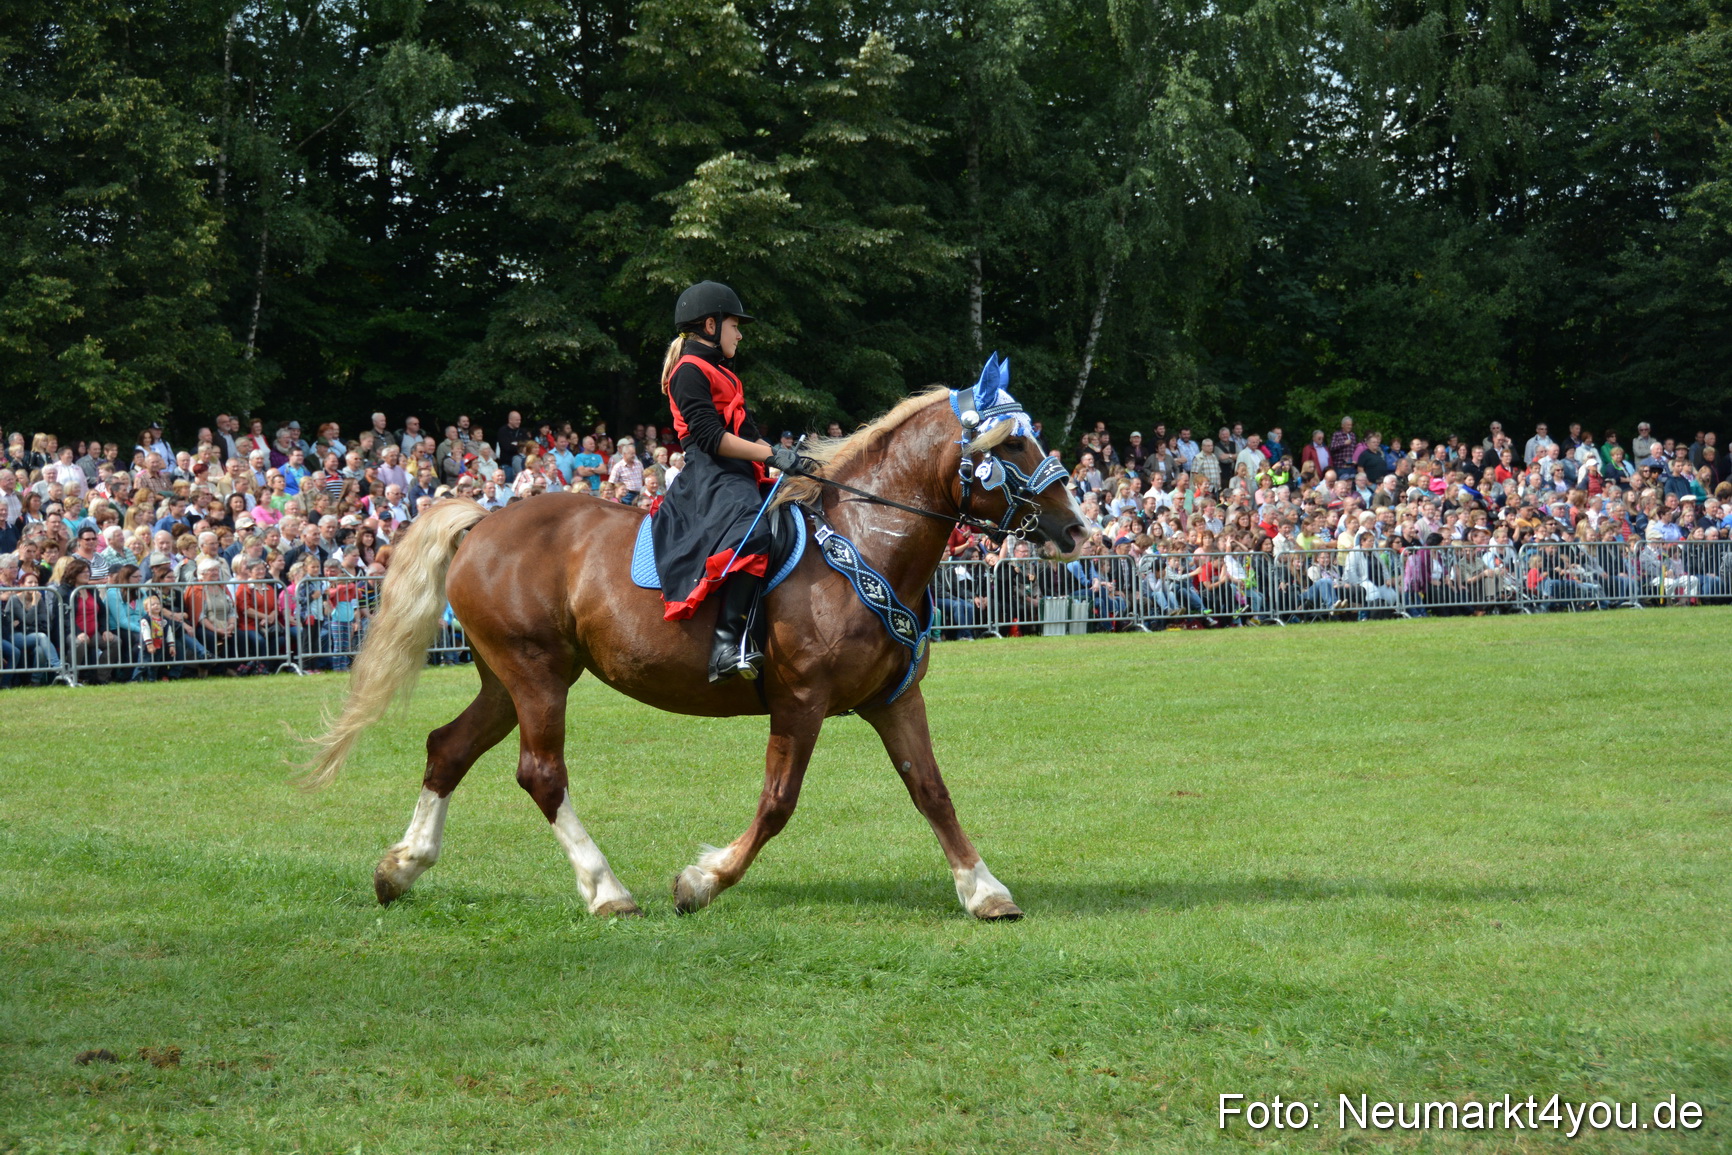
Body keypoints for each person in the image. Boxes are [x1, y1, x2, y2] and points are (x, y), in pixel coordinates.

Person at [650, 281, 810, 682]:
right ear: (710, 324)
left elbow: (750, 433)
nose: (739, 334)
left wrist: (790, 460)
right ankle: (726, 644)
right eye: (735, 326)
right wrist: (772, 455)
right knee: (750, 534)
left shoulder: (726, 375)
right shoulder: (688, 371)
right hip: (709, 474)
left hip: (737, 472)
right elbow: (709, 437)